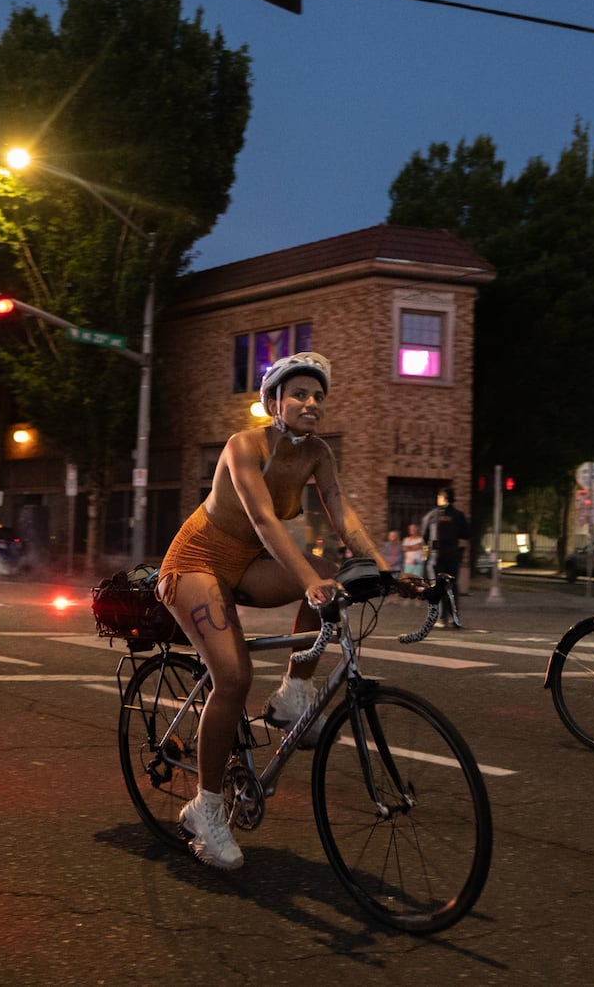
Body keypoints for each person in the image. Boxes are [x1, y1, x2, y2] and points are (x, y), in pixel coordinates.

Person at [155, 351, 398, 871]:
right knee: (235, 678)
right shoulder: (243, 445)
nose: (312, 403)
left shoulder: (318, 454)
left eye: (319, 397)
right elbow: (265, 521)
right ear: (273, 403)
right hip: (196, 561)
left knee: (333, 573)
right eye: (300, 395)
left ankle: (293, 693)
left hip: (245, 565)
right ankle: (206, 809)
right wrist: (308, 582)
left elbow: (342, 511)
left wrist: (385, 569)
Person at [421, 488, 470, 628]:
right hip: (452, 555)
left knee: (438, 587)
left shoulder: (432, 515)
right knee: (452, 587)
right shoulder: (459, 515)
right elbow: (466, 535)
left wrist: (426, 557)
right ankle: (455, 618)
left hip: (437, 556)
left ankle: (441, 618)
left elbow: (425, 537)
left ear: (443, 497)